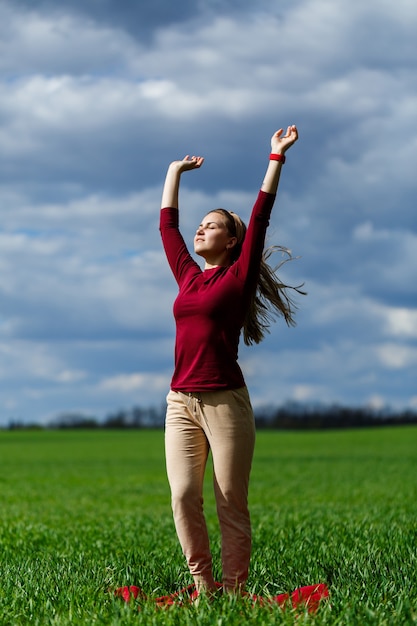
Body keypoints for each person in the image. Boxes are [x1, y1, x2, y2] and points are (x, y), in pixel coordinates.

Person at [159, 125, 300, 599]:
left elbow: (260, 216)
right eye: (201, 223)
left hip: (225, 404)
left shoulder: (236, 279)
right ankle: (205, 590)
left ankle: (236, 593)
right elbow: (167, 226)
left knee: (229, 503)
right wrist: (173, 172)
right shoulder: (187, 278)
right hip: (180, 402)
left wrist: (275, 157)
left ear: (233, 241)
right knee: (183, 496)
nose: (201, 228)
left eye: (212, 224)